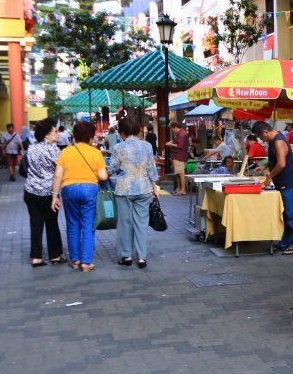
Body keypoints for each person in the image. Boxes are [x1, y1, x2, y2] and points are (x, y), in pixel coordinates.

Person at [51, 120, 108, 272]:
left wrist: (54, 196)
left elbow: (57, 176)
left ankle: (75, 260)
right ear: (90, 137)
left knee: (72, 225)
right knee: (88, 226)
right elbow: (103, 177)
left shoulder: (65, 152)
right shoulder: (95, 153)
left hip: (68, 190)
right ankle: (86, 263)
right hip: (89, 190)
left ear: (74, 136)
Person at [108, 116, 159, 269]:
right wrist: (154, 187)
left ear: (122, 132)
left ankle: (126, 256)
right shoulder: (147, 146)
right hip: (144, 188)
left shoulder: (118, 147)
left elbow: (112, 169)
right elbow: (152, 168)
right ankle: (142, 257)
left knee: (125, 223)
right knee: (142, 224)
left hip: (124, 189)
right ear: (137, 130)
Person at [252, 120, 293, 255]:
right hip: (283, 184)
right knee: (286, 215)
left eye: (260, 137)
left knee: (291, 215)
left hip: (290, 183)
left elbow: (281, 164)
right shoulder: (273, 141)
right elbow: (274, 160)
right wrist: (263, 165)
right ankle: (285, 242)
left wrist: (269, 177)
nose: (261, 140)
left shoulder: (279, 142)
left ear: (265, 132)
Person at [22, 119, 65, 266]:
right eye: (55, 131)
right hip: (47, 192)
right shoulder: (53, 150)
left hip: (30, 190)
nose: (57, 133)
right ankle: (55, 256)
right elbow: (59, 172)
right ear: (46, 135)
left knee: (36, 224)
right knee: (52, 223)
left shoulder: (32, 148)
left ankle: (36, 257)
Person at [166, 121, 191, 195]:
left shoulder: (182, 134)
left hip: (180, 156)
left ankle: (183, 190)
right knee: (177, 173)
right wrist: (172, 142)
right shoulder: (179, 134)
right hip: (176, 156)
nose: (172, 131)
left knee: (181, 173)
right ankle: (178, 188)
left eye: (172, 129)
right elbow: (177, 142)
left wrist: (170, 144)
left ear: (176, 128)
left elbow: (180, 146)